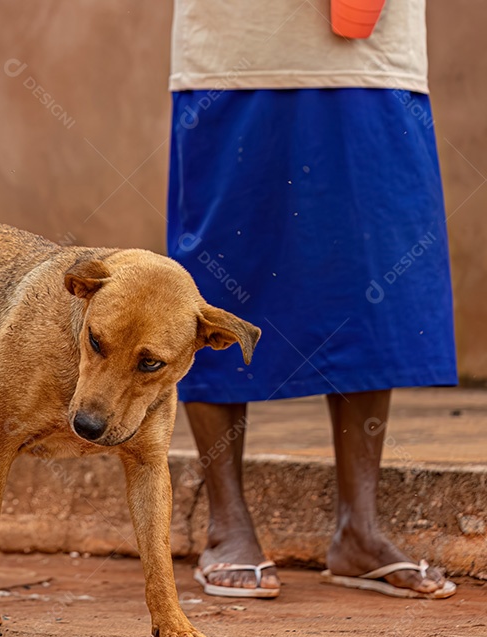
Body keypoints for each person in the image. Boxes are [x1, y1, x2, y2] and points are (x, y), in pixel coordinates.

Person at [166, 0, 458, 599]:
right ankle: (227, 525)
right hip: (242, 51)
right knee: (227, 269)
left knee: (370, 274)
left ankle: (360, 531)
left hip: (375, 57)